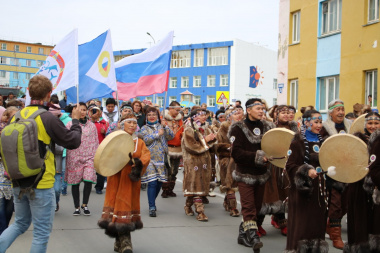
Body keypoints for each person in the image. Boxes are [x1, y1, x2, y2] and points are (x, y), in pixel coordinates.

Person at [0, 75, 82, 253]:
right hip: (41, 182)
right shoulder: (47, 118)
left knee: (19, 224)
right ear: (49, 94)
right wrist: (75, 121)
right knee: (41, 233)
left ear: (28, 92)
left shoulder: (17, 116)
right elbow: (72, 141)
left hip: (18, 179)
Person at [98, 113, 150, 253]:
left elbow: (146, 156)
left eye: (134, 123)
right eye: (129, 122)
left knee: (126, 209)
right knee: (117, 208)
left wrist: (138, 164)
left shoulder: (140, 142)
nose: (132, 125)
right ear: (122, 124)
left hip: (130, 181)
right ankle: (124, 242)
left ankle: (123, 242)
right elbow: (106, 155)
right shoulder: (115, 139)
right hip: (116, 179)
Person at [229, 98, 274, 252]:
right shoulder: (238, 128)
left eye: (262, 108)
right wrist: (259, 156)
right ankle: (253, 236)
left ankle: (242, 234)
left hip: (262, 175)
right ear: (248, 110)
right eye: (258, 108)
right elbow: (236, 153)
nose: (261, 111)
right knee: (248, 206)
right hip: (245, 174)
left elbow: (274, 147)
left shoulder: (268, 127)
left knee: (256, 206)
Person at [284, 109, 328, 252]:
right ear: (306, 123)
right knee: (303, 225)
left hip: (320, 191)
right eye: (316, 122)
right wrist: (306, 171)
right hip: (303, 191)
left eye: (320, 122)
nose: (319, 125)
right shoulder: (297, 143)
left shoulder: (325, 143)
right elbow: (289, 166)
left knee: (318, 223)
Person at [258, 105, 297, 237]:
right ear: (276, 114)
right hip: (272, 165)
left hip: (287, 165)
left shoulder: (294, 128)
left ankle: (281, 220)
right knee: (269, 195)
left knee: (284, 194)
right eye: (283, 113)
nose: (286, 115)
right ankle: (258, 223)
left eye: (288, 112)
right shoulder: (269, 127)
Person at [344, 112, 380, 252]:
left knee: (375, 224)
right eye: (370, 123)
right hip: (358, 186)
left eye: (376, 123)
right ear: (365, 124)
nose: (372, 126)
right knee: (360, 221)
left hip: (376, 187)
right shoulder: (357, 140)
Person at [320, 99, 351, 250]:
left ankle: (329, 225)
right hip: (332, 170)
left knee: (345, 202)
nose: (341, 112)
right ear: (330, 112)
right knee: (336, 203)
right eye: (337, 110)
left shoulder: (350, 126)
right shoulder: (324, 128)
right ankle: (336, 237)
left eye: (342, 109)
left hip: (348, 169)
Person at [182, 108, 216, 221]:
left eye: (205, 115)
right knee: (196, 186)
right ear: (194, 117)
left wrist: (212, 139)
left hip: (204, 161)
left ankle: (187, 206)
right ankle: (200, 211)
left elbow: (210, 144)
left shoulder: (205, 129)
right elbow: (191, 146)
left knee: (199, 185)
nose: (204, 117)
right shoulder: (188, 130)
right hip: (193, 162)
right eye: (201, 115)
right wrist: (205, 140)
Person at [65, 102, 99, 216]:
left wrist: (97, 155)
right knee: (76, 182)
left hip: (89, 157)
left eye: (84, 110)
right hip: (74, 156)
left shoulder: (92, 125)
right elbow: (67, 139)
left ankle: (85, 204)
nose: (82, 112)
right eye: (80, 110)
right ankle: (77, 206)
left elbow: (96, 141)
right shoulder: (70, 125)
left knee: (88, 178)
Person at [140, 107, 174, 216]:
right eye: (149, 114)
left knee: (159, 183)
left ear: (157, 116)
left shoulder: (162, 126)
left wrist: (165, 127)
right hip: (149, 158)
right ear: (146, 117)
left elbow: (171, 136)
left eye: (153, 114)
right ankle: (152, 207)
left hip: (162, 159)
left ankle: (152, 201)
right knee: (152, 182)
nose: (151, 116)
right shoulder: (144, 128)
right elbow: (144, 140)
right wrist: (156, 134)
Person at [216, 107, 243, 217]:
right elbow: (218, 146)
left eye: (240, 113)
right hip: (227, 160)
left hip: (241, 160)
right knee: (229, 184)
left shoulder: (243, 127)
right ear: (229, 117)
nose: (239, 116)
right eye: (236, 114)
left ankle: (227, 201)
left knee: (239, 184)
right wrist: (230, 148)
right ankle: (233, 207)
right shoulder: (223, 128)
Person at [0, 107, 20, 235]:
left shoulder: (22, 134)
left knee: (8, 211)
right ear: (7, 118)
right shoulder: (2, 133)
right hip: (1, 177)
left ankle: (4, 234)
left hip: (14, 180)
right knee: (0, 212)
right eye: (12, 117)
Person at [162, 101, 184, 198]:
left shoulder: (180, 120)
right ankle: (165, 190)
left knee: (174, 171)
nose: (178, 112)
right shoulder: (164, 120)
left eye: (179, 110)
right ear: (170, 109)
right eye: (176, 110)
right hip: (168, 148)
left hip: (178, 149)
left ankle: (170, 190)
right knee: (167, 170)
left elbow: (182, 132)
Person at [89, 104, 109, 194]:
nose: (95, 113)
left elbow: (109, 136)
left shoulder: (104, 123)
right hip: (89, 149)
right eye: (93, 111)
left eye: (96, 111)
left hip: (101, 149)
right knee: (89, 169)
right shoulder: (87, 123)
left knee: (100, 169)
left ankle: (99, 187)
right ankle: (88, 185)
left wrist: (105, 132)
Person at [48, 104, 65, 212]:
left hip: (56, 165)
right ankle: (50, 204)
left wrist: (51, 145)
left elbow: (60, 149)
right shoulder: (44, 128)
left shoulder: (60, 129)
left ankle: (56, 201)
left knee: (57, 189)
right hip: (45, 167)